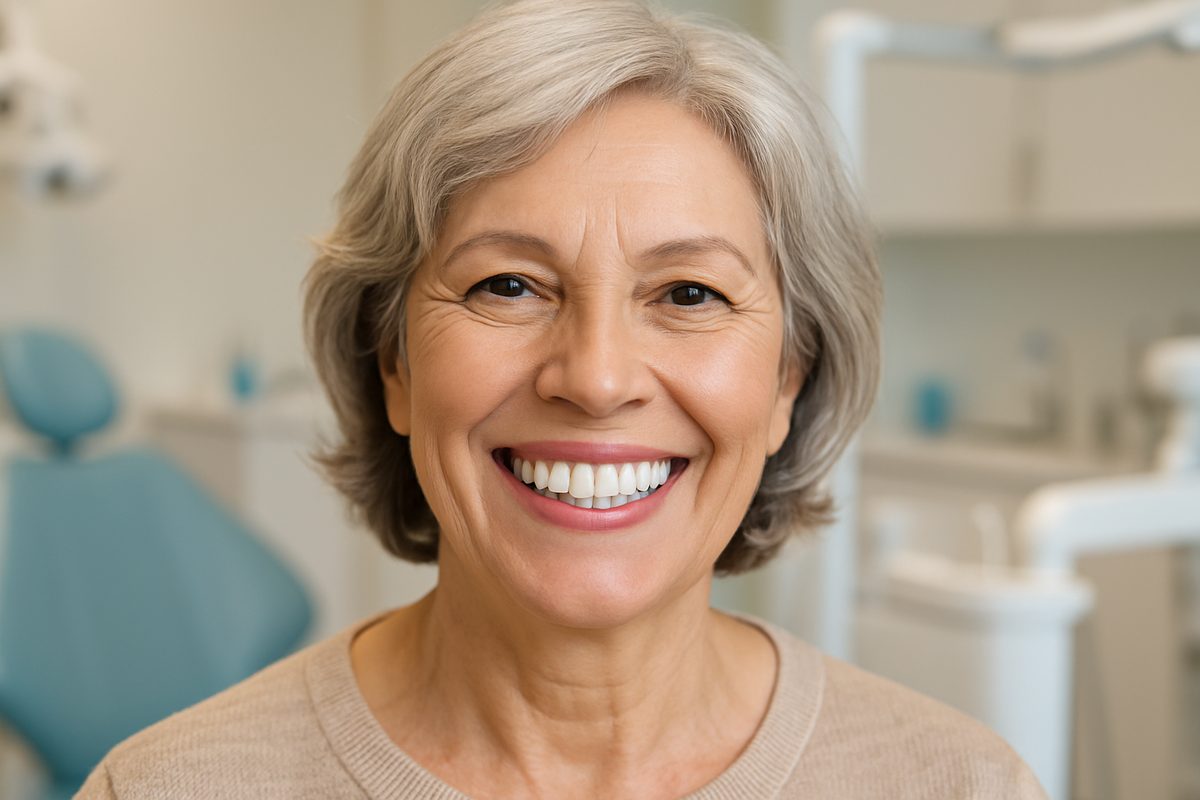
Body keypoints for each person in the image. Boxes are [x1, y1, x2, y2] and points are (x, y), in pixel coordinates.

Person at [78, 1, 1048, 797]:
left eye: (689, 294)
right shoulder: (167, 785)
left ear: (789, 377)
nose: (594, 376)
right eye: (508, 284)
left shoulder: (960, 782)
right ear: (394, 361)